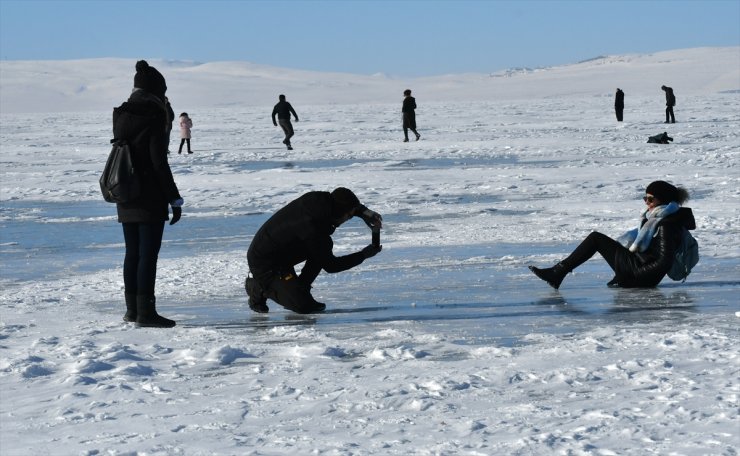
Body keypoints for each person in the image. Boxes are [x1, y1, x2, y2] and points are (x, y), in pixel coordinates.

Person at [113, 60, 183, 328]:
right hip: (150, 193)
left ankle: (132, 310)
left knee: (133, 253)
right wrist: (173, 198)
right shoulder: (153, 115)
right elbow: (158, 161)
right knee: (148, 255)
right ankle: (146, 313)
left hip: (124, 189)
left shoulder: (122, 114)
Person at [529, 181, 695, 289]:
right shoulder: (658, 218)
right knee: (598, 239)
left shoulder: (666, 224)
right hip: (639, 271)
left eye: (650, 199)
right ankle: (557, 274)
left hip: (641, 276)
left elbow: (664, 262)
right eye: (645, 198)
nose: (646, 202)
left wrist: (633, 276)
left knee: (596, 239)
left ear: (663, 200)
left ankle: (557, 273)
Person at [245, 188, 383, 314]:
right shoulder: (311, 227)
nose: (349, 219)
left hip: (281, 252)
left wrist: (365, 212)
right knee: (303, 306)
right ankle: (258, 287)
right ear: (340, 212)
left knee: (324, 244)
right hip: (265, 264)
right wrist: (363, 255)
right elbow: (331, 265)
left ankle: (302, 288)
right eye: (349, 215)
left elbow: (343, 200)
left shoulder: (321, 201)